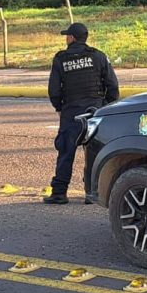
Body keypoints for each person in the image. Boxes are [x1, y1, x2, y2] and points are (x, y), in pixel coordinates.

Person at [45, 22, 119, 204]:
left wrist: (59, 108)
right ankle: (91, 193)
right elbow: (112, 85)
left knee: (65, 152)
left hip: (71, 112)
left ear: (71, 38)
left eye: (66, 36)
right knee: (93, 153)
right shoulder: (98, 56)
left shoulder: (60, 59)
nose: (66, 39)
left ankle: (59, 193)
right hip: (95, 112)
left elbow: (54, 90)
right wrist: (106, 107)